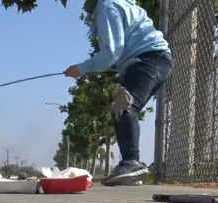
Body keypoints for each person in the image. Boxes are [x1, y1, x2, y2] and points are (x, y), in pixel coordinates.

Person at [64, 0, 173, 186]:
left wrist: (81, 68)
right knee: (120, 107)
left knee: (126, 105)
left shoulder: (108, 6)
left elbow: (112, 52)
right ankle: (130, 169)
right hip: (155, 61)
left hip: (148, 60)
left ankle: (131, 163)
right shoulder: (124, 4)